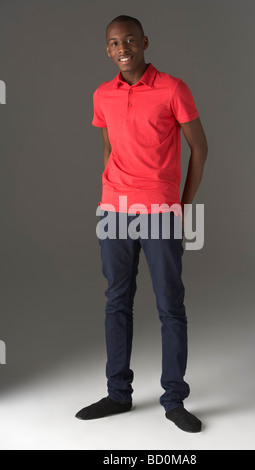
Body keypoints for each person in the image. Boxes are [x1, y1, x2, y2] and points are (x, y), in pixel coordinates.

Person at [76, 15, 208, 433]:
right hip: (114, 211)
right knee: (117, 301)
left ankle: (174, 399)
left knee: (170, 305)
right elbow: (107, 146)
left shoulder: (172, 88)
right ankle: (118, 394)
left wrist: (182, 205)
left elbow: (200, 149)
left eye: (129, 39)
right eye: (114, 43)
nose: (122, 48)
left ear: (145, 42)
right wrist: (110, 195)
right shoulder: (102, 94)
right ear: (109, 50)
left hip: (160, 210)